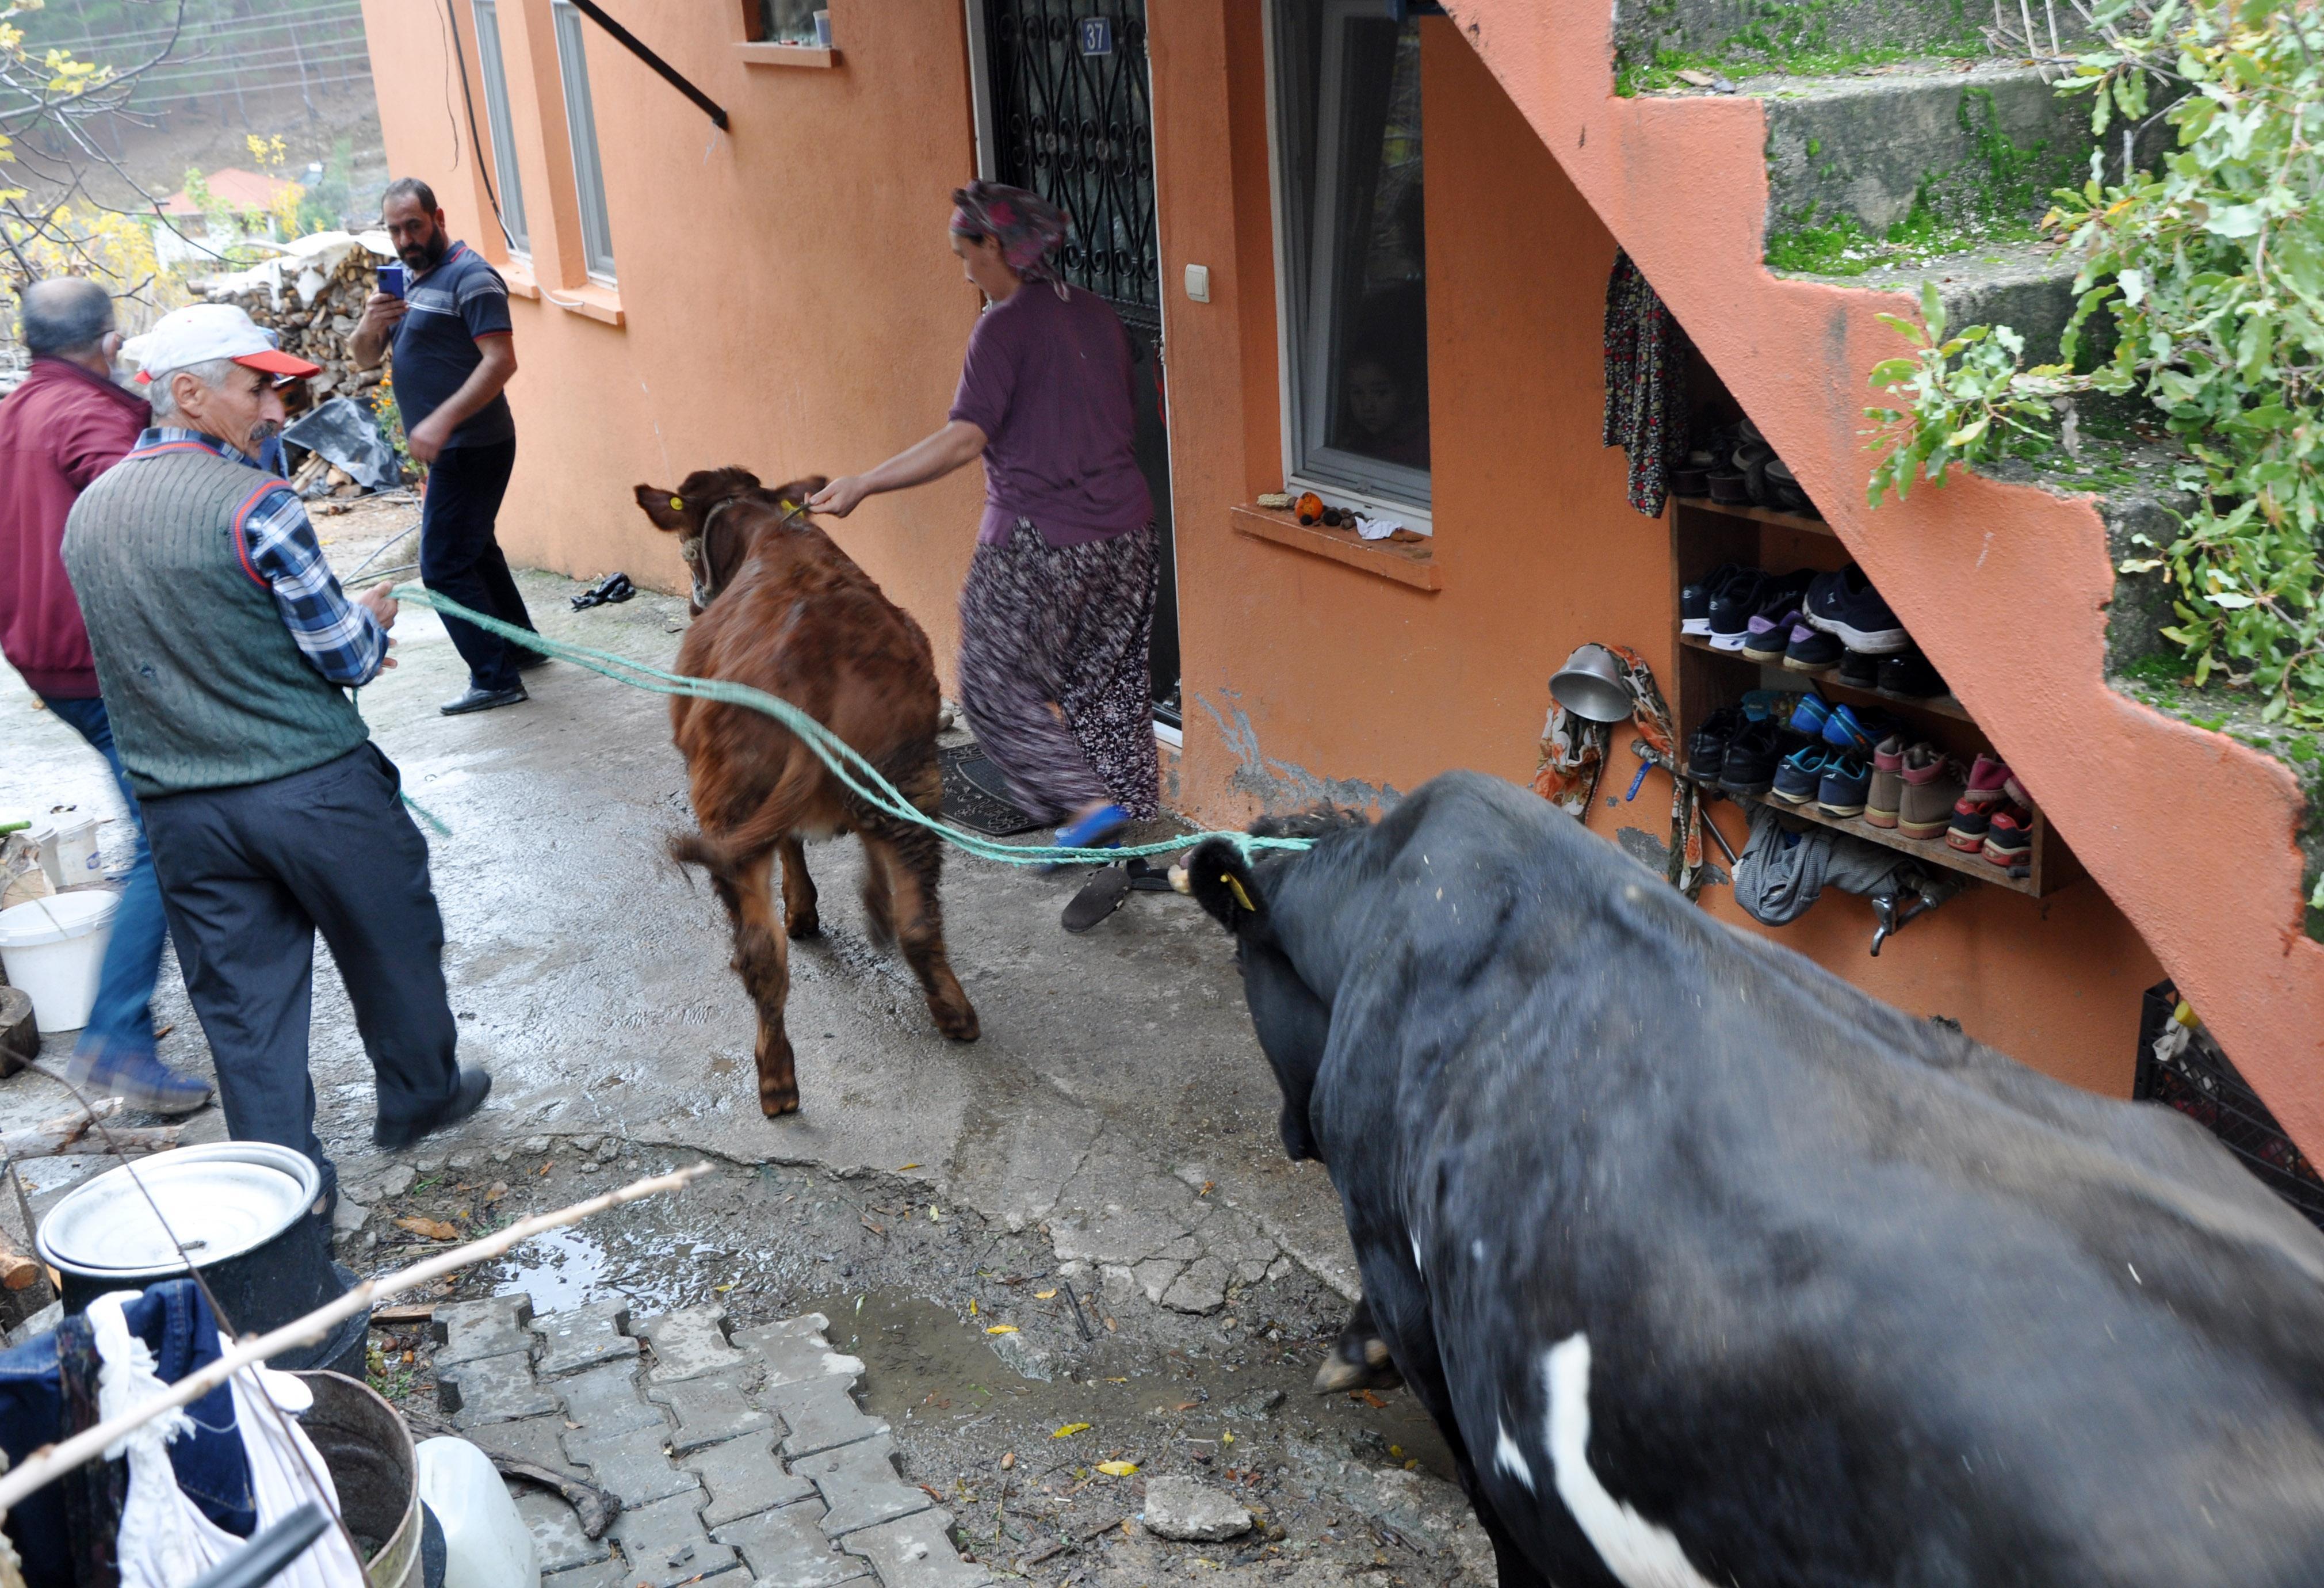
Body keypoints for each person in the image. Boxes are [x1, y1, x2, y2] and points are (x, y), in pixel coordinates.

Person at [61, 303, 492, 1203]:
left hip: (182, 811)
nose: (275, 411)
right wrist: (370, 625)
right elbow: (344, 659)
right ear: (188, 392)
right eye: (258, 389)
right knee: (391, 940)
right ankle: (419, 1097)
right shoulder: (260, 506)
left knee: (243, 1007)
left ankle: (286, 1188)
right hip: (314, 789)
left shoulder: (89, 515)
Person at [811, 182, 1160, 854]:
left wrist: (864, 484)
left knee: (990, 681)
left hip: (1040, 538)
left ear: (993, 245)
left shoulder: (1001, 326)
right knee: (1108, 680)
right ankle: (1131, 831)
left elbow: (965, 438)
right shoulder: (1094, 313)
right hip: (1128, 533)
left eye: (963, 251)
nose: (962, 265)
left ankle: (1088, 808)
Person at [0, 278, 212, 1115]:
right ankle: (118, 1036)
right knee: (164, 835)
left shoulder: (19, 409)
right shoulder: (89, 415)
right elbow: (141, 507)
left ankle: (151, 1006)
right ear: (110, 343)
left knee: (172, 821)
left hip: (40, 655)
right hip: (100, 660)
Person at [350, 176, 539, 716]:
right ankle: (521, 648)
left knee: (442, 566)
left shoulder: (472, 277)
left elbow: (501, 361)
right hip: (454, 445)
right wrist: (370, 323)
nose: (406, 239)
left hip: (474, 443)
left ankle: (495, 678)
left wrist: (439, 422)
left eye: (414, 225)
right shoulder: (406, 281)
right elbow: (364, 359)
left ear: (438, 218)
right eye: (394, 230)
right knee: (476, 548)